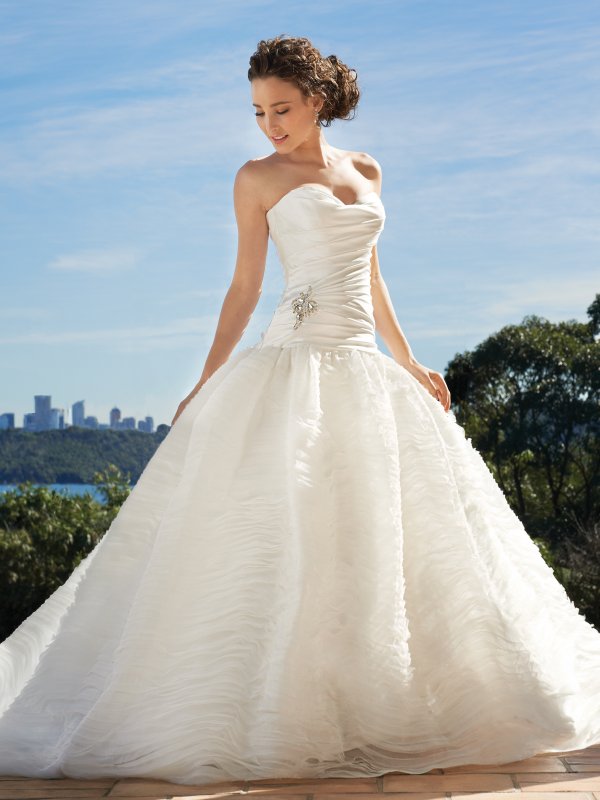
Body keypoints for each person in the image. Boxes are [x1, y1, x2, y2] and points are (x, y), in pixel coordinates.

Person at [0, 33, 599, 788]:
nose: (269, 124)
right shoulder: (256, 178)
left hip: (365, 366)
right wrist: (206, 379)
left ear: (317, 101)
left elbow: (372, 276)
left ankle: (390, 703)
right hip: (294, 362)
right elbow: (245, 286)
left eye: (280, 108)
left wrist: (408, 359)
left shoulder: (368, 170)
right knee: (291, 530)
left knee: (388, 534)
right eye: (258, 112)